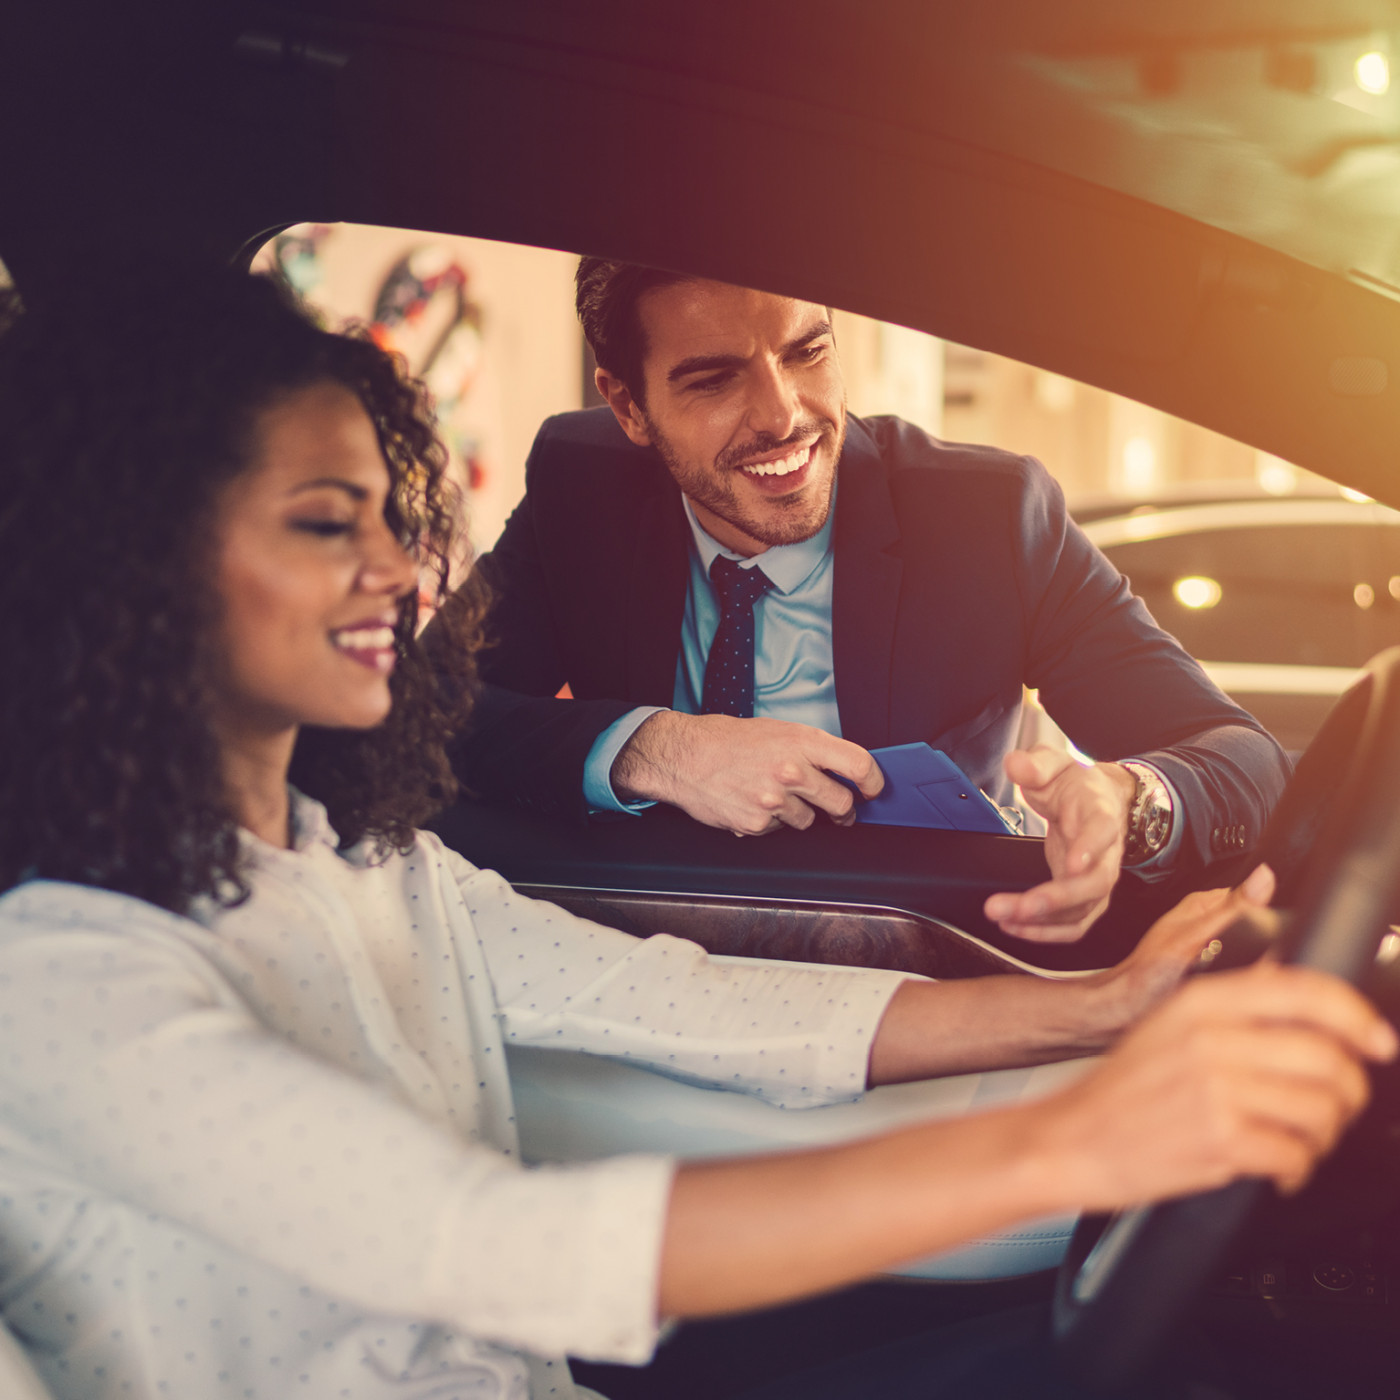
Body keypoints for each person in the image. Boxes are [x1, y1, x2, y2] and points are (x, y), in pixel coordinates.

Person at [0, 269, 1388, 1400]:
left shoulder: (367, 864)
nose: (404, 570)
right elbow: (488, 1241)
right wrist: (1086, 1143)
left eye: (387, 516)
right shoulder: (62, 983)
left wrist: (1099, 1005)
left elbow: (687, 996)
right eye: (323, 522)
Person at [457, 263, 1291, 944]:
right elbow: (425, 715)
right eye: (715, 380)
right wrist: (659, 749)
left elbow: (1242, 758)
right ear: (629, 406)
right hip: (639, 956)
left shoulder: (989, 516)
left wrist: (1127, 801)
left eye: (806, 352)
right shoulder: (579, 486)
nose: (784, 416)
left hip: (917, 959)